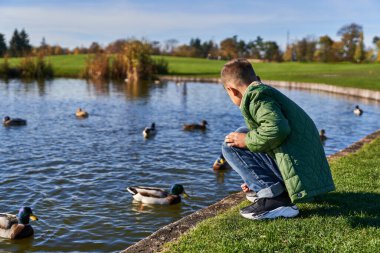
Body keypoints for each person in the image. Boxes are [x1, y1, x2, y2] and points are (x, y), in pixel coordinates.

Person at [220, 59, 335, 220]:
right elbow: (272, 137)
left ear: (231, 90)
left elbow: (277, 129)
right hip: (306, 170)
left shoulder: (257, 97)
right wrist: (254, 178)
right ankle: (267, 189)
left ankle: (276, 200)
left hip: (301, 172)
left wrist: (246, 141)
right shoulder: (264, 93)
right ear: (257, 78)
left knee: (230, 144)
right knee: (244, 132)